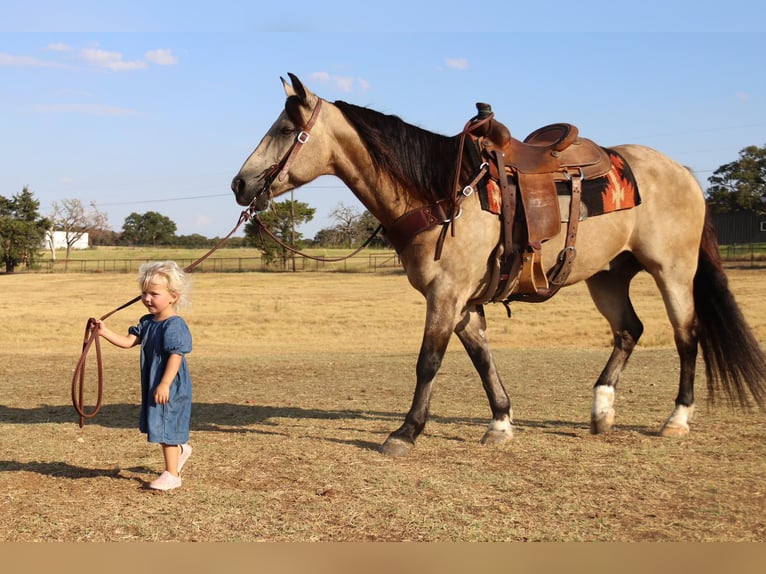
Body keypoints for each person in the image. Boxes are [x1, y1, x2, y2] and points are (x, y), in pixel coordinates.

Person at [95, 260, 193, 491]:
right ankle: (180, 451)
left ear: (173, 296)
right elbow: (129, 342)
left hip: (170, 384)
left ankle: (172, 474)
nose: (147, 298)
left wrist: (165, 384)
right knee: (159, 423)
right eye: (144, 293)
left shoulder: (174, 325)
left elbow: (175, 356)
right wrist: (104, 332)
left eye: (154, 294)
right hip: (155, 382)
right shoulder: (147, 322)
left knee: (165, 425)